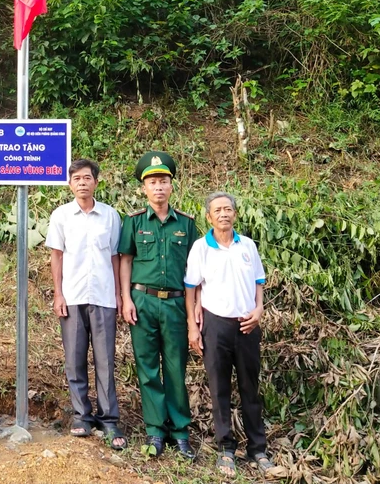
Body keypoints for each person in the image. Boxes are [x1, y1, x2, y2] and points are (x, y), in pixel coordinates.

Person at [184, 192, 276, 477]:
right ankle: (226, 448)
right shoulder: (201, 247)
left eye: (228, 209)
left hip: (247, 325)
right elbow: (191, 287)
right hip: (215, 324)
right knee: (219, 388)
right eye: (217, 210)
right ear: (209, 217)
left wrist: (259, 310)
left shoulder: (247, 245)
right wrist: (192, 325)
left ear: (235, 214)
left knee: (250, 387)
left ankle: (257, 448)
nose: (223, 214)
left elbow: (259, 282)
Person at [118, 151, 198, 459]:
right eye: (152, 182)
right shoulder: (135, 222)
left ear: (171, 186)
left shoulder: (187, 225)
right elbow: (125, 261)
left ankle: (180, 431)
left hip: (176, 304)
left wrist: (196, 309)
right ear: (144, 188)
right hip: (143, 301)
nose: (159, 187)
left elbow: (196, 269)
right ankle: (155, 430)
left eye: (163, 181)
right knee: (148, 367)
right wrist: (126, 299)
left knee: (176, 367)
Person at [45, 159, 126, 450]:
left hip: (104, 296)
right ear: (70, 184)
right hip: (73, 295)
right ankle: (81, 416)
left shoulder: (110, 216)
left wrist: (118, 293)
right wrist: (58, 294)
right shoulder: (61, 216)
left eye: (87, 178)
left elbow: (116, 256)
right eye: (76, 178)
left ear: (96, 182)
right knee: (75, 359)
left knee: (105, 360)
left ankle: (109, 419)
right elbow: (56, 256)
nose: (82, 182)